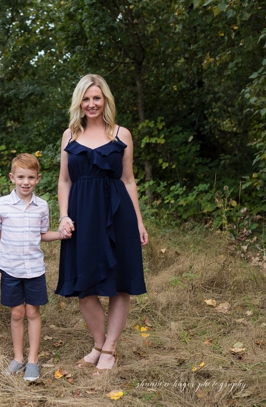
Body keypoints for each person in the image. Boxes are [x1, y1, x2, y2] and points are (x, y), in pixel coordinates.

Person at [55, 74, 149, 375]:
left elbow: (128, 179)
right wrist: (64, 216)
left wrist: (139, 221)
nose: (91, 104)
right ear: (79, 102)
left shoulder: (122, 134)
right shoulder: (69, 135)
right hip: (81, 216)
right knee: (84, 284)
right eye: (86, 98)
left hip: (117, 213)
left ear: (105, 100)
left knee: (120, 282)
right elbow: (64, 180)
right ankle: (98, 344)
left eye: (97, 98)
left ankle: (109, 349)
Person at [0, 154, 70, 381]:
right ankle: (18, 358)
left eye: (31, 177)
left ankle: (32, 360)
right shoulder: (2, 204)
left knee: (32, 312)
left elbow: (42, 234)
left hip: (34, 269)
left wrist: (60, 234)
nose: (26, 182)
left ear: (38, 179)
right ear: (12, 177)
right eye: (21, 177)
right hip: (10, 268)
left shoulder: (41, 206)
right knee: (16, 313)